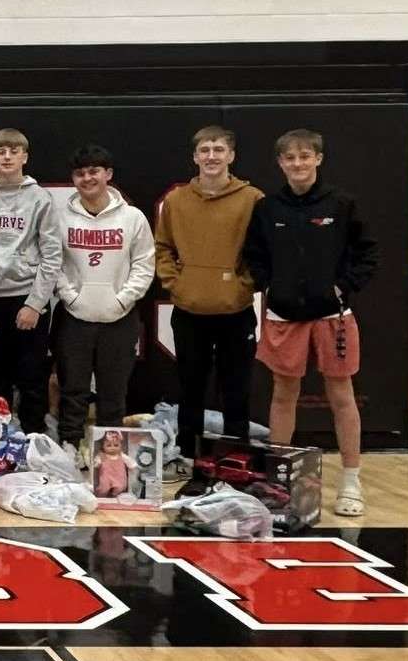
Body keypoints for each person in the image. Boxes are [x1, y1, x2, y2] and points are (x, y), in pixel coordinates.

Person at [243, 129, 377, 517]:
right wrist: (271, 285)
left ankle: (351, 481)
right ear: (280, 163)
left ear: (318, 158)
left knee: (341, 396)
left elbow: (367, 254)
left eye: (305, 156)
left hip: (331, 316)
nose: (298, 164)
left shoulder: (342, 204)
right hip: (284, 314)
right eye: (290, 158)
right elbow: (255, 255)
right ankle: (277, 478)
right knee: (284, 394)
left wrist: (342, 288)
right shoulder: (268, 208)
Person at [154, 125, 264, 487]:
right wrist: (178, 285)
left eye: (219, 149)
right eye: (205, 150)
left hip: (235, 313)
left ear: (231, 155)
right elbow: (163, 248)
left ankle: (237, 461)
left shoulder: (253, 199)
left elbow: (262, 254)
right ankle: (188, 457)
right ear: (195, 156)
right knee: (190, 389)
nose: (212, 156)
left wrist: (242, 285)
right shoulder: (177, 200)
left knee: (236, 390)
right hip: (189, 312)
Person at [52, 144, 155, 461]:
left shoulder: (132, 218)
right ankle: (70, 451)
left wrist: (123, 299)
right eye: (80, 173)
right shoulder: (61, 217)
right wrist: (71, 296)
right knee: (73, 391)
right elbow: (52, 261)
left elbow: (144, 263)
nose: (87, 178)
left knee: (113, 395)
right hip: (74, 317)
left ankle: (108, 459)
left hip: (119, 319)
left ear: (108, 174)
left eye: (94, 171)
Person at [0, 128, 62, 435]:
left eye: (13, 151)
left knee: (32, 378)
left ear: (24, 157)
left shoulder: (40, 198)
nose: (7, 157)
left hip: (27, 299)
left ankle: (33, 443)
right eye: (1, 152)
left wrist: (35, 303)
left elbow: (52, 255)